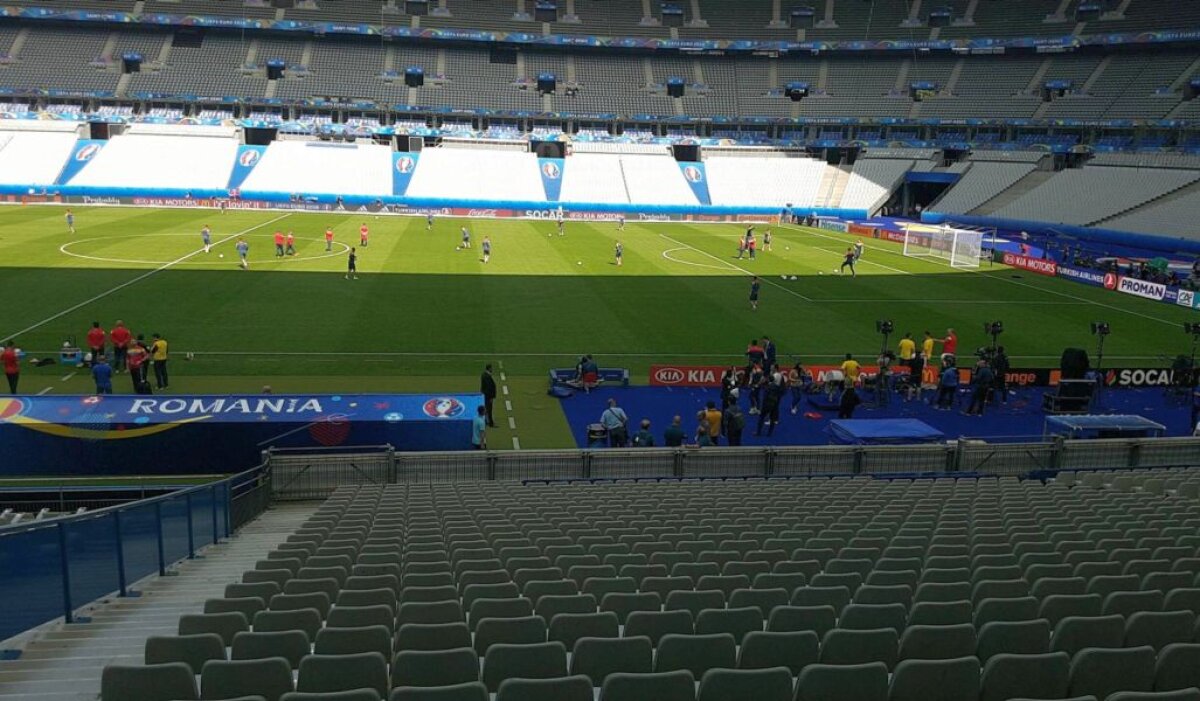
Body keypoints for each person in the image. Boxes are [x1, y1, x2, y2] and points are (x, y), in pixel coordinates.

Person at [481, 364, 497, 428]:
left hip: (485, 394)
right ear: (489, 368)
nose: (492, 369)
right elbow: (489, 387)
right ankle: (490, 423)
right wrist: (491, 396)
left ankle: (486, 421)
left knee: (487, 409)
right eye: (491, 368)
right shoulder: (487, 376)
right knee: (489, 409)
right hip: (488, 395)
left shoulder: (484, 375)